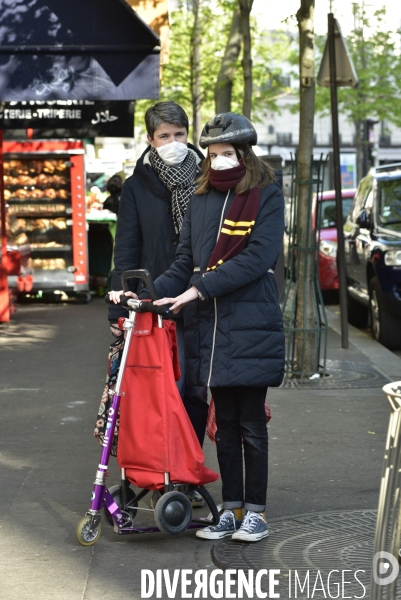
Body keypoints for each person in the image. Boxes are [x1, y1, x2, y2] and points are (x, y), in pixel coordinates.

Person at [149, 112, 285, 542]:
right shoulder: (201, 199)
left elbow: (258, 258)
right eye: (213, 154)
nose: (220, 160)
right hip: (212, 325)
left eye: (228, 153)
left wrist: (198, 289)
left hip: (250, 322)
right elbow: (183, 262)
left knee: (250, 422)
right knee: (223, 423)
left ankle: (256, 513)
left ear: (244, 153)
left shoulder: (267, 194)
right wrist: (147, 295)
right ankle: (231, 508)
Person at [108, 101, 208, 507]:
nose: (173, 143)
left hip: (200, 300)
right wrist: (120, 309)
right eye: (164, 136)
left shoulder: (207, 177)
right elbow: (126, 248)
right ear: (150, 140)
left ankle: (187, 477)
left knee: (195, 391)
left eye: (179, 134)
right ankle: (159, 470)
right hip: (154, 303)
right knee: (159, 390)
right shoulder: (136, 185)